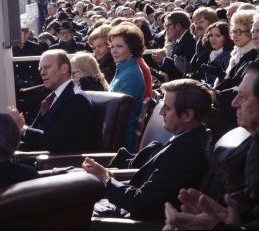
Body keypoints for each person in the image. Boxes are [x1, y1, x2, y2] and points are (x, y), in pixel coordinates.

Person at [83, 78, 212, 221]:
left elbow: (141, 203)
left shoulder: (185, 152)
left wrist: (105, 178)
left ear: (187, 115)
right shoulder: (191, 139)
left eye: (167, 108)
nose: (161, 112)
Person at [164, 62, 259, 230]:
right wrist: (226, 219)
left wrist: (215, 227)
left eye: (243, 97)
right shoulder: (252, 147)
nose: (234, 103)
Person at [9, 49, 94, 152]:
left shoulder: (76, 99)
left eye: (47, 67)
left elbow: (54, 141)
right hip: (39, 157)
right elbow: (37, 133)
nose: (42, 73)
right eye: (40, 69)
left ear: (64, 68)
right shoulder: (51, 98)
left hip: (60, 163)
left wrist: (23, 128)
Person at [107, 22, 146, 151]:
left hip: (120, 142)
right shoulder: (123, 69)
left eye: (119, 46)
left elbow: (124, 118)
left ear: (131, 48)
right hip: (114, 134)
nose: (114, 51)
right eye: (112, 46)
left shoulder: (131, 75)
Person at [152, 11, 196, 80]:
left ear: (178, 26)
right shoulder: (179, 40)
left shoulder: (190, 40)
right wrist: (161, 61)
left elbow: (182, 71)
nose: (166, 29)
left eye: (167, 26)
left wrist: (164, 59)